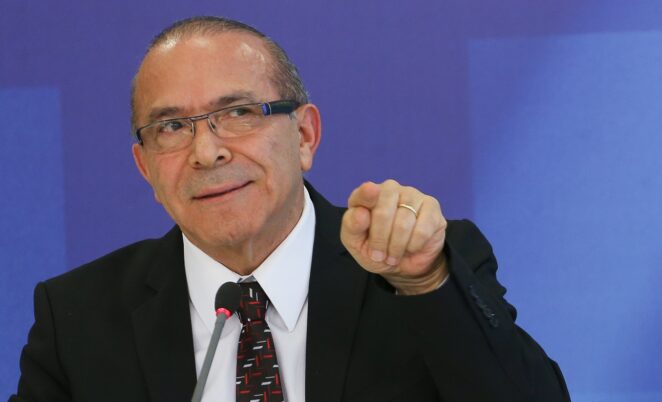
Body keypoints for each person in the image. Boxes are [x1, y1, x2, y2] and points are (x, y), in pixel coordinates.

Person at [11, 16, 570, 402]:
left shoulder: (417, 271)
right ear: (145, 167)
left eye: (239, 113)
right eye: (172, 127)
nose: (207, 152)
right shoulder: (78, 318)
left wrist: (426, 283)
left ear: (304, 135)